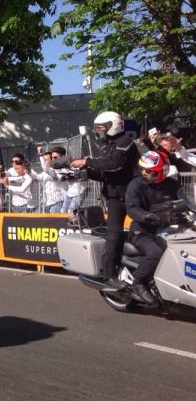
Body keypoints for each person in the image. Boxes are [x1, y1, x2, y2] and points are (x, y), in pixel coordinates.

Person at [70, 111, 139, 289]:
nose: (99, 132)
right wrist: (82, 172)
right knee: (113, 234)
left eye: (102, 128)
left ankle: (142, 266)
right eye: (98, 129)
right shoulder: (107, 146)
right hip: (115, 197)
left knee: (142, 230)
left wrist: (86, 161)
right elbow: (104, 173)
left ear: (113, 126)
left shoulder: (125, 142)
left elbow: (114, 164)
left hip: (132, 195)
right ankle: (108, 275)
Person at [124, 150, 181, 304]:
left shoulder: (172, 185)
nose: (144, 173)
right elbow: (132, 209)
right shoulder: (135, 185)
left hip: (167, 229)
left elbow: (181, 201)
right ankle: (138, 282)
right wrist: (150, 217)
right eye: (143, 169)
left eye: (149, 171)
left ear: (161, 172)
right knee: (155, 253)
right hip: (142, 231)